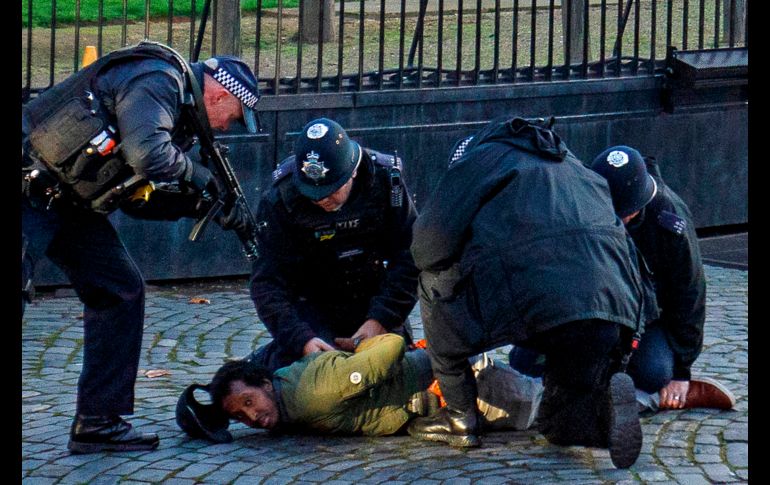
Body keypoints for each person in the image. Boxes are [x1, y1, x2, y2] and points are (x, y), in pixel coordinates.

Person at [21, 41, 260, 453]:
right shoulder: (158, 79)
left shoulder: (176, 114)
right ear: (219, 95)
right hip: (28, 182)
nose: (225, 127)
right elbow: (148, 155)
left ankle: (98, 422)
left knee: (119, 289)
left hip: (68, 200)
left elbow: (135, 199)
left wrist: (199, 205)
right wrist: (199, 176)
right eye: (233, 117)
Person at [406, 116, 659, 469]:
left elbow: (428, 248)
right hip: (612, 313)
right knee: (558, 426)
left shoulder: (477, 160)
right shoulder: (572, 164)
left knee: (434, 283)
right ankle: (602, 414)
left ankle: (460, 418)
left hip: (535, 301)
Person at [248, 118, 420, 372]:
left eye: (332, 190)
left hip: (374, 295)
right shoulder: (280, 199)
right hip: (312, 304)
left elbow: (412, 256)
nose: (322, 200)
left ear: (353, 172)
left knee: (397, 369)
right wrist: (301, 339)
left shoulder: (385, 180)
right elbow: (267, 283)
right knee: (315, 376)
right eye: (313, 194)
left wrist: (382, 318)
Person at [175, 334, 543, 441]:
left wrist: (358, 345)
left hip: (468, 387)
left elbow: (391, 346)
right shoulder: (281, 389)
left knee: (550, 409)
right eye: (241, 416)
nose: (253, 417)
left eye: (249, 402)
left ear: (264, 383)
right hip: (451, 387)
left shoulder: (313, 393)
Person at [589, 145, 735, 412]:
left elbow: (689, 293)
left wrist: (681, 372)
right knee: (527, 361)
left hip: (647, 317)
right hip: (600, 307)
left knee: (654, 372)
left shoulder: (669, 220)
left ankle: (659, 396)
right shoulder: (588, 205)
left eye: (623, 215)